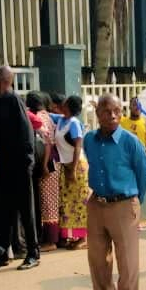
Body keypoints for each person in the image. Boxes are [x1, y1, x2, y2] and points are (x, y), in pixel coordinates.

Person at [84, 94, 146, 290]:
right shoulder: (90, 140)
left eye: (116, 111)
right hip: (97, 205)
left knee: (128, 264)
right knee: (98, 261)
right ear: (97, 113)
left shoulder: (130, 141)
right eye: (105, 111)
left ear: (121, 113)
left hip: (124, 205)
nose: (111, 115)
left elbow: (143, 172)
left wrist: (135, 203)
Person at [0, 66, 40, 270]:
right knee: (4, 211)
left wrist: (28, 160)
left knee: (26, 209)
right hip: (1, 164)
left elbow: (26, 133)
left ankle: (33, 252)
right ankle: (4, 251)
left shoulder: (14, 100)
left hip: (19, 163)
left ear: (2, 80)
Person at [52, 95, 89, 250]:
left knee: (80, 202)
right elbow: (45, 114)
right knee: (68, 202)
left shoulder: (73, 123)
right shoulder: (61, 120)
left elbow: (78, 147)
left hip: (77, 166)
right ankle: (70, 235)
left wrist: (73, 169)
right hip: (65, 165)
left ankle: (84, 237)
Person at [28, 92, 59, 251]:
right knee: (48, 200)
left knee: (48, 202)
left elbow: (47, 143)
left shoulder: (40, 118)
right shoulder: (47, 115)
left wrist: (45, 164)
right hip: (51, 162)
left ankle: (51, 240)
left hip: (49, 163)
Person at [120, 97, 146, 162]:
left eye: (140, 105)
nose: (137, 107)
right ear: (129, 107)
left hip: (141, 159)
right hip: (126, 159)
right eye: (135, 104)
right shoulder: (122, 121)